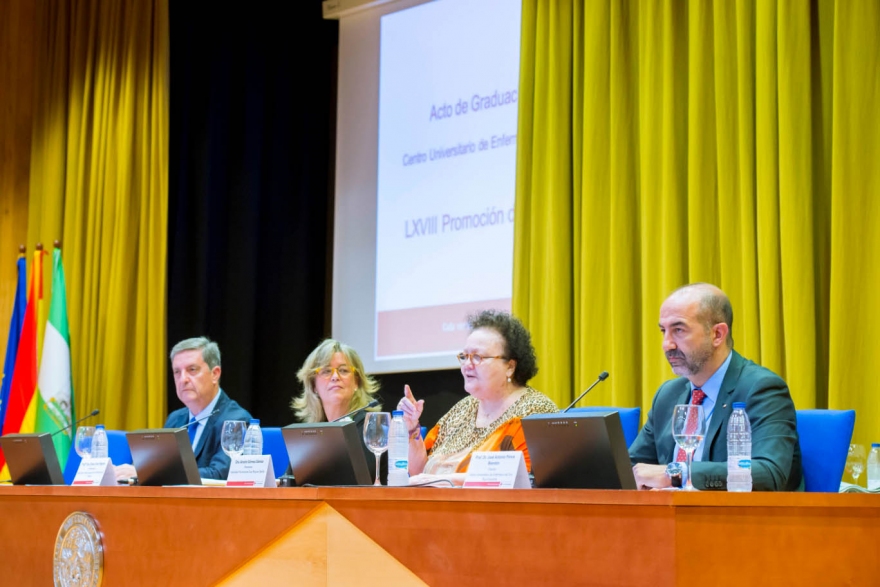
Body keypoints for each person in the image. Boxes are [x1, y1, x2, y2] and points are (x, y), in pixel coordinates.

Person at [628, 283, 802, 491]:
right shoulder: (668, 395)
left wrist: (677, 472)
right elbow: (632, 467)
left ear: (717, 334)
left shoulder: (761, 389)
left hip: (735, 519)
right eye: (663, 331)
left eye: (679, 330)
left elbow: (768, 473)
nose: (667, 344)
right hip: (668, 517)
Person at [398, 310, 557, 486]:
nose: (467, 365)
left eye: (477, 357)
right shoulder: (462, 409)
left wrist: (443, 480)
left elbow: (518, 481)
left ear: (510, 367)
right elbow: (420, 473)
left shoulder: (535, 412)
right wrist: (412, 430)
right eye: (464, 356)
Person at [114, 336, 252, 481]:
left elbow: (220, 475)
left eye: (192, 370)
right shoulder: (175, 419)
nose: (183, 379)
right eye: (177, 372)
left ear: (215, 374)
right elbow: (158, 466)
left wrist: (147, 473)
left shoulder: (236, 420)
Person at [292, 339, 384, 482]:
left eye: (343, 370)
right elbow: (291, 480)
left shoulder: (373, 428)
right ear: (314, 385)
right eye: (326, 371)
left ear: (356, 382)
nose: (335, 377)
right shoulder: (309, 433)